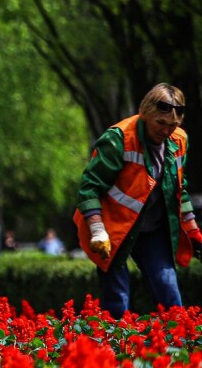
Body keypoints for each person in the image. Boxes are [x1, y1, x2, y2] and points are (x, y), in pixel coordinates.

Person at [74, 83, 202, 318]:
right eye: (160, 123)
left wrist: (192, 229)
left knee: (169, 291)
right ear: (146, 113)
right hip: (113, 230)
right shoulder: (118, 139)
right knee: (117, 302)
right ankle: (115, 351)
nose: (166, 131)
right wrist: (97, 229)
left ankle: (179, 349)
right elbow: (89, 187)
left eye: (173, 125)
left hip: (152, 230)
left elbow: (178, 189)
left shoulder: (179, 140)